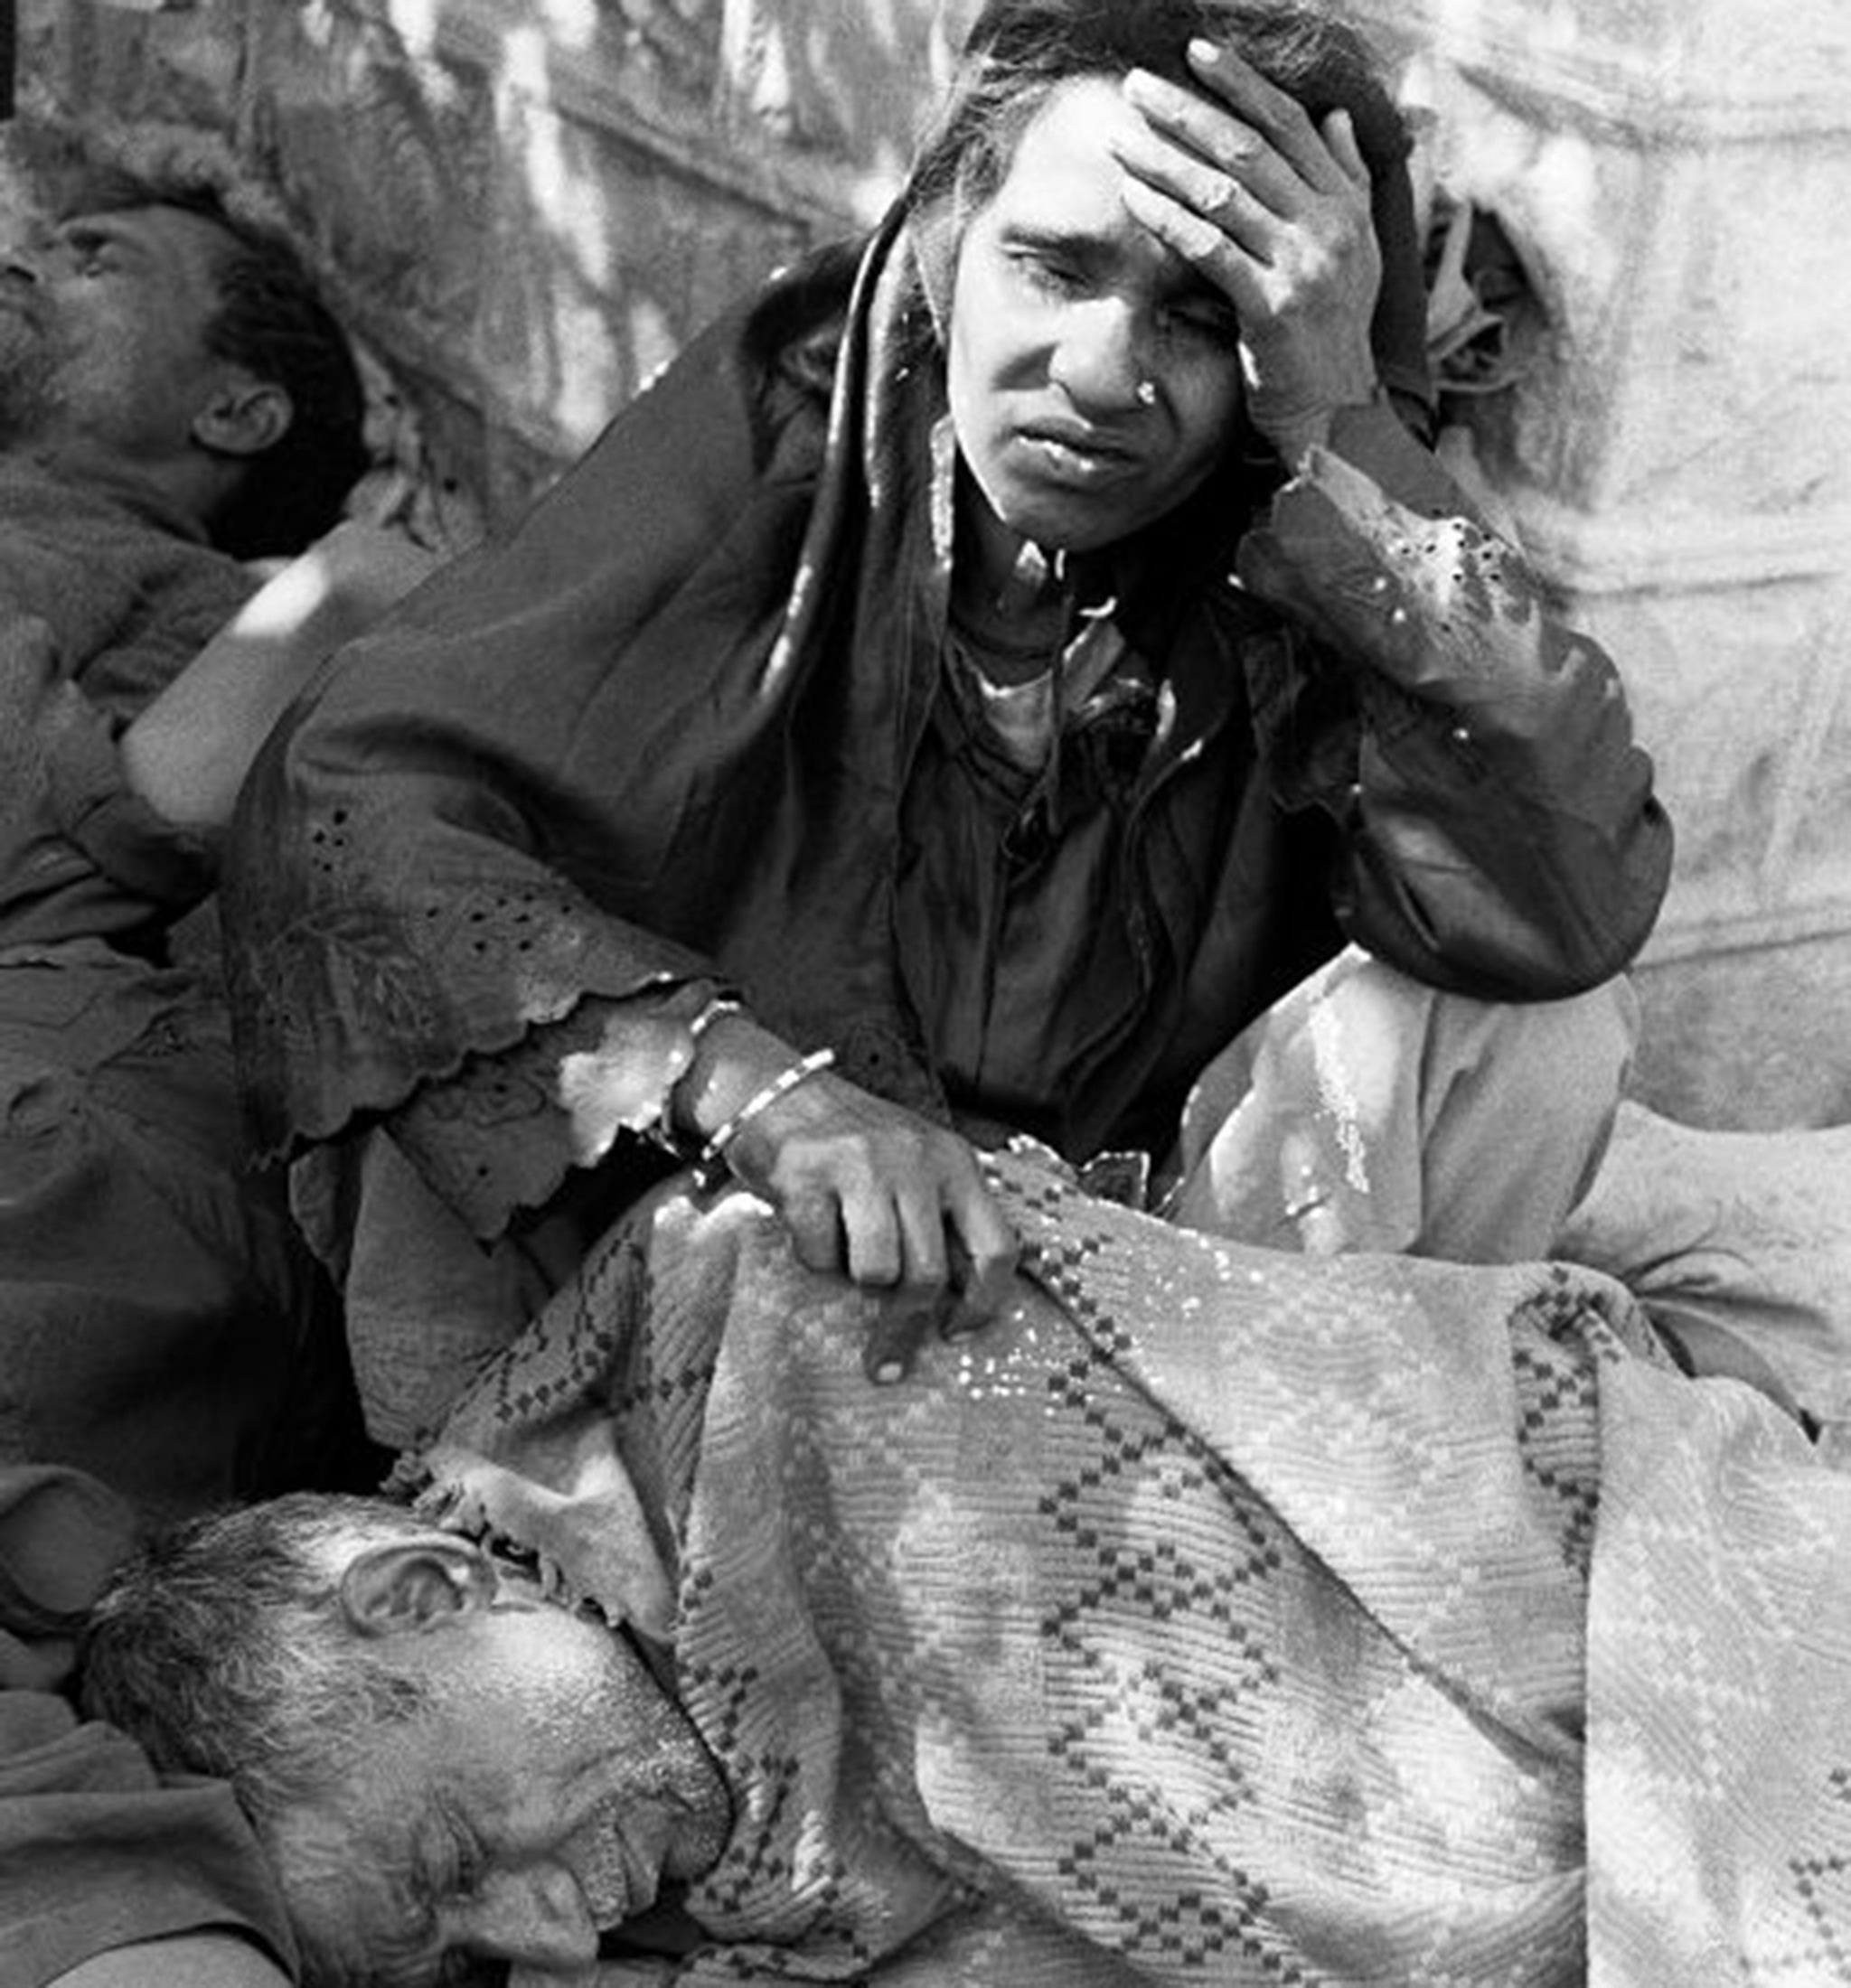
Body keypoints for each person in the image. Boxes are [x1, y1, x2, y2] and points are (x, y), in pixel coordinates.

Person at [221, 0, 1670, 1427]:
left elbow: (1563, 894)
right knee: (436, 1033)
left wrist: (1337, 433)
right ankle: (525, 1532)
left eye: (1203, 316)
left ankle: (1289, 1497)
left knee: (1540, 1027)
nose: (1104, 377)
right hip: (750, 1233)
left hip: (1141, 1268)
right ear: (940, 248)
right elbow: (348, 800)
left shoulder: (1294, 524)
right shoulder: (788, 444)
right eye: (1050, 267)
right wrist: (748, 1085)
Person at [76, 1148, 1851, 1985]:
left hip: (1669, 1564)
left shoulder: (822, 1335)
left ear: (421, 1593)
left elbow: (1484, 1560)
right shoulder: (699, 1842)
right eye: (462, 1958)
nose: (548, 1928)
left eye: (456, 1860)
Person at [0, 171, 437, 1988]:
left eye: (100, 259)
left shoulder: (220, 599)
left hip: (73, 1122)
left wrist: (340, 587)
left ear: (234, 412)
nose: (33, 259)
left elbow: (106, 832)